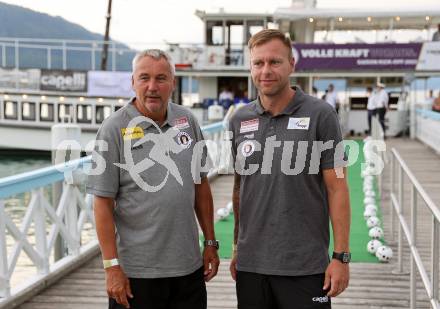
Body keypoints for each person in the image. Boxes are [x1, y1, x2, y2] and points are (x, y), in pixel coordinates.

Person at [87, 49, 219, 309]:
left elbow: (200, 185)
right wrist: (111, 267)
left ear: (173, 82)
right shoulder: (114, 129)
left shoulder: (187, 120)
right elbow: (102, 203)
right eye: (144, 78)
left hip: (188, 269)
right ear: (132, 82)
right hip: (137, 274)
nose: (152, 87)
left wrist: (211, 242)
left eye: (161, 78)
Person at [228, 29, 351, 309]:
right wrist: (237, 247)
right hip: (252, 266)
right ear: (251, 67)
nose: (266, 70)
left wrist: (341, 257)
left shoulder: (321, 114)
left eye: (275, 62)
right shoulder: (239, 120)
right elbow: (239, 188)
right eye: (258, 63)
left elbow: (337, 187)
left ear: (292, 64)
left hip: (305, 267)